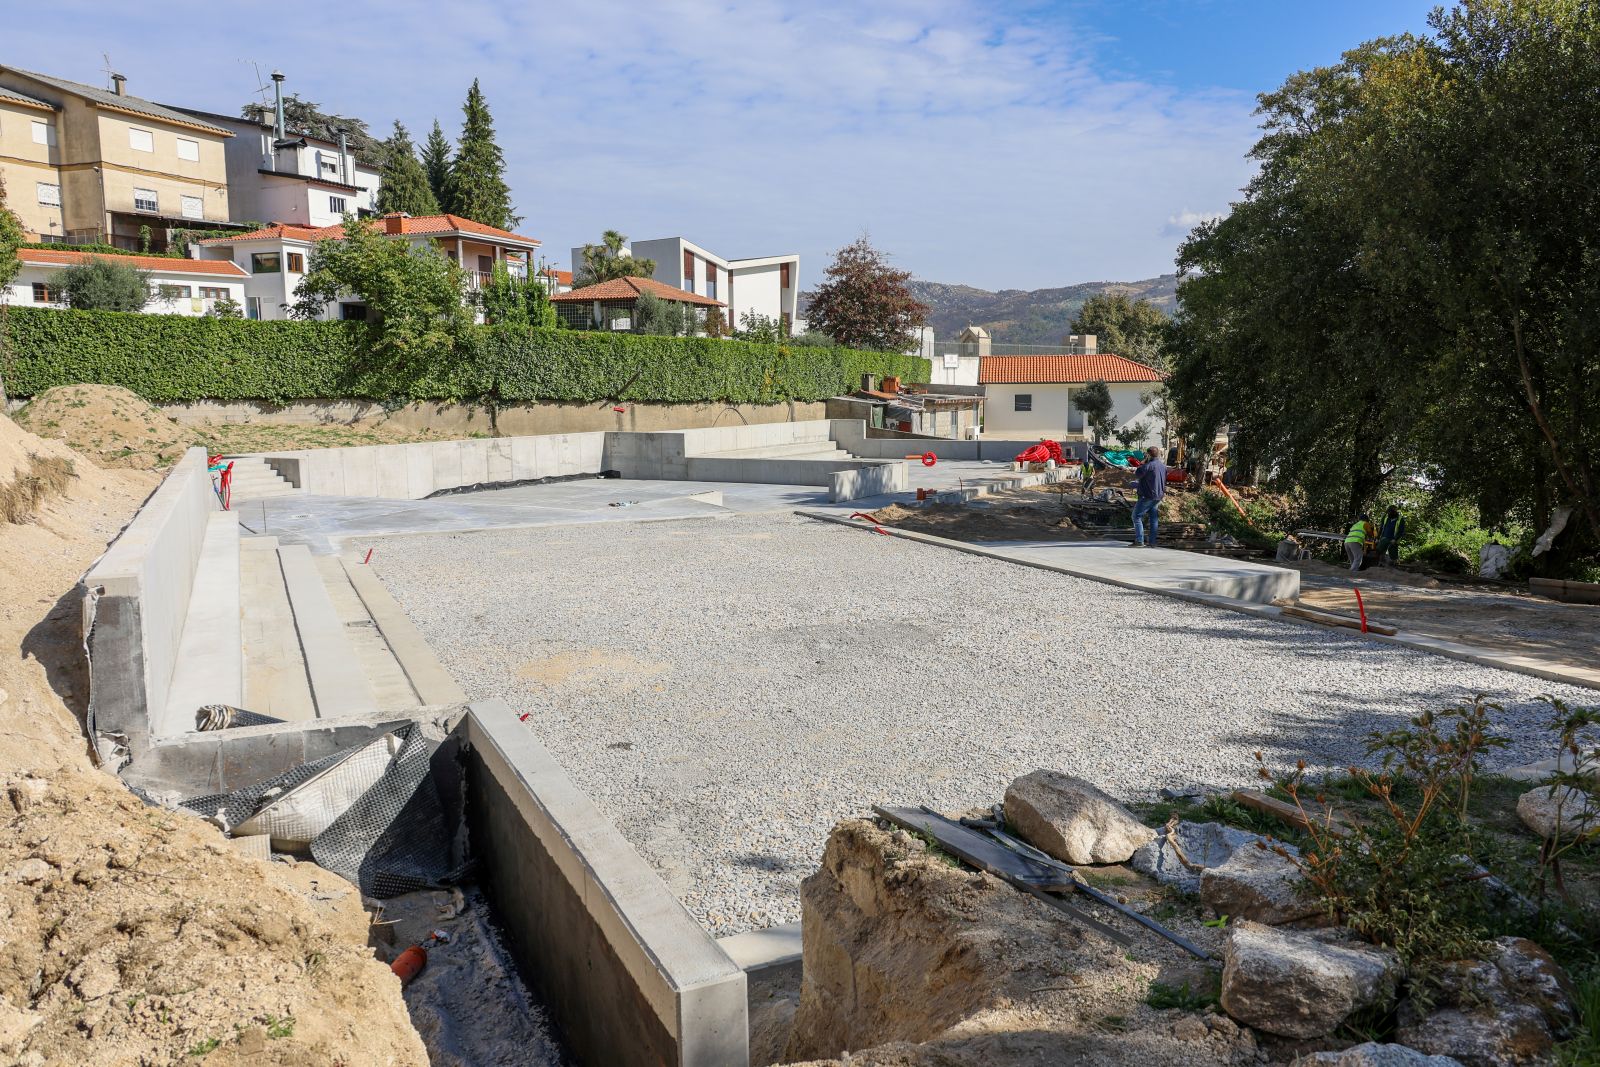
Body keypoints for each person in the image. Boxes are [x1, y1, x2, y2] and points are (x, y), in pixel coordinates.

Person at [1130, 445, 1167, 548]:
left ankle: (1139, 540)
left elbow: (1138, 473)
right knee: (1153, 519)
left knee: (1136, 516)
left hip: (1148, 496)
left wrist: (1142, 463)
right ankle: (1152, 542)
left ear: (1149, 455)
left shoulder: (1148, 465)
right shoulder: (1163, 466)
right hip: (1158, 496)